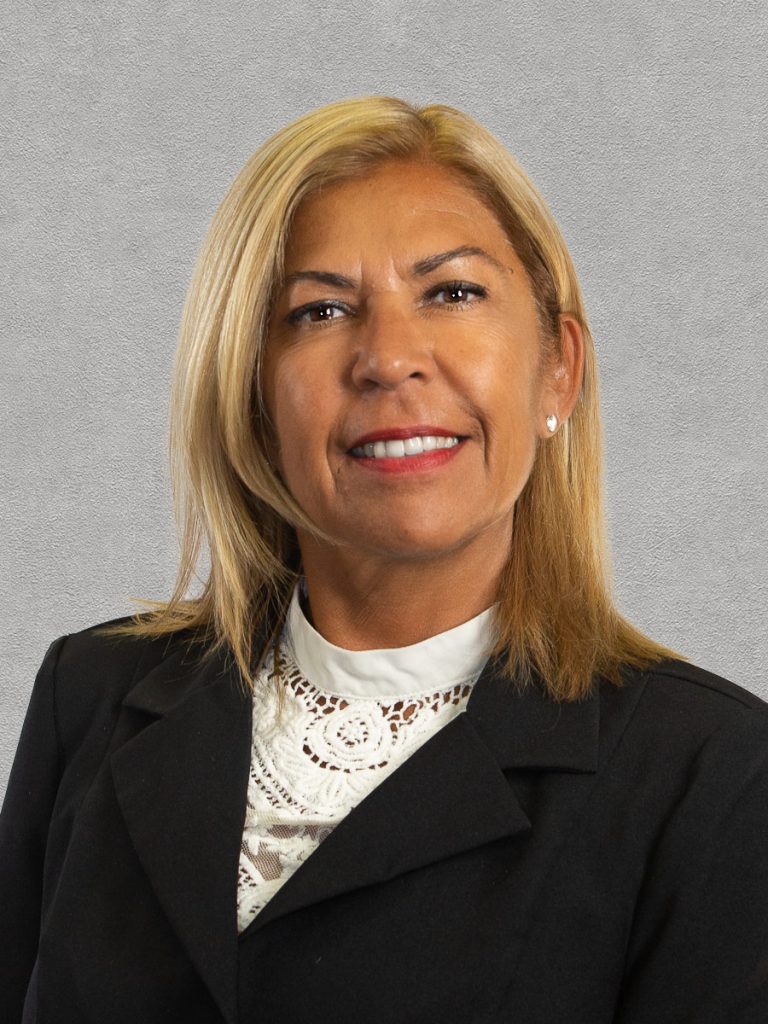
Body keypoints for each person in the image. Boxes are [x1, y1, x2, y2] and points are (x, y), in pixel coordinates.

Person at [1, 96, 767, 1024]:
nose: (389, 358)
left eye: (453, 293)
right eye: (320, 310)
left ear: (557, 370)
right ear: (252, 398)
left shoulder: (714, 775)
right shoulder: (90, 697)